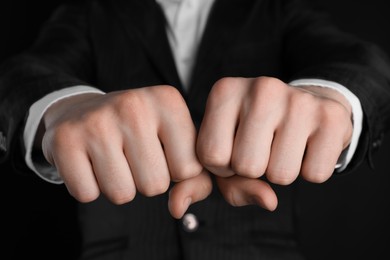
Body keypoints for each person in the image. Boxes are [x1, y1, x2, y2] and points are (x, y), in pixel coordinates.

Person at [1, 0, 390, 259]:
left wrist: (330, 97)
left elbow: (359, 62)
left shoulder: (274, 9)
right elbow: (27, 71)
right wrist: (62, 106)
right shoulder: (92, 11)